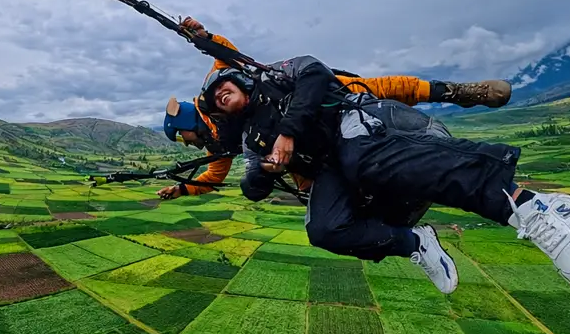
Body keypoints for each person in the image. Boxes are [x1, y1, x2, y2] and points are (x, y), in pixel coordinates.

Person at [196, 49, 570, 296]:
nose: (220, 95)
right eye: (215, 100)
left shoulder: (278, 78)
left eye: (222, 88)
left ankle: (533, 208)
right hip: (334, 166)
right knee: (324, 229)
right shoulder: (251, 138)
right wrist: (267, 169)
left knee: (362, 159)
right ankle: (415, 243)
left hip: (358, 122)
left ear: (240, 82)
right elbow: (251, 185)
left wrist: (287, 134)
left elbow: (313, 72)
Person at [158, 17, 511, 200]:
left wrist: (202, 36)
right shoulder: (216, 147)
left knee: (375, 90)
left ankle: (457, 92)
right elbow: (212, 178)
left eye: (183, 138)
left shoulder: (213, 93)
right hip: (300, 145)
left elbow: (225, 56)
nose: (188, 143)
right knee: (313, 187)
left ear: (187, 123)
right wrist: (181, 189)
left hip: (298, 96)